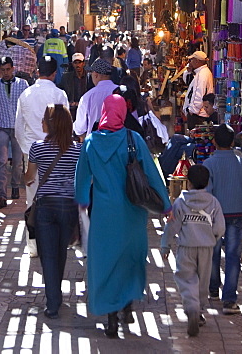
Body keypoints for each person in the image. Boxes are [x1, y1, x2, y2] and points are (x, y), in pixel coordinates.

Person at [75, 94, 170, 339]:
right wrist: (166, 204)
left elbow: (82, 177)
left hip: (104, 213)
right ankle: (127, 305)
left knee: (106, 260)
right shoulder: (133, 139)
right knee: (130, 256)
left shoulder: (90, 142)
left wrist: (83, 201)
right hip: (132, 211)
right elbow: (151, 173)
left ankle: (111, 319)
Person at [23, 104, 81, 318]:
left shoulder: (37, 147)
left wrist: (26, 179)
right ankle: (56, 295)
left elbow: (29, 177)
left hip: (46, 204)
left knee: (47, 254)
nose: (41, 123)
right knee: (61, 251)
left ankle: (53, 302)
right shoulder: (77, 149)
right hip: (69, 204)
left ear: (51, 124)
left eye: (44, 119)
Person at [160, 164, 227, 337]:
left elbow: (172, 225)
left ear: (187, 183)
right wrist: (213, 237)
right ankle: (199, 311)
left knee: (186, 277)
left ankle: (191, 306)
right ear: (207, 183)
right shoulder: (213, 202)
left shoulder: (180, 202)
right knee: (203, 281)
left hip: (186, 247)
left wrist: (165, 245)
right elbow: (220, 227)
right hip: (206, 249)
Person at [15, 56, 69, 257]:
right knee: (58, 196)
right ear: (54, 74)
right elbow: (66, 127)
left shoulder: (25, 95)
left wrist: (26, 149)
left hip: (33, 155)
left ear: (38, 72)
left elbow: (18, 128)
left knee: (33, 200)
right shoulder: (60, 95)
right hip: (56, 154)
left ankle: (34, 244)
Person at [202, 124, 242, 314]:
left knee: (214, 252)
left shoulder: (209, 164)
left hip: (216, 216)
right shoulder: (240, 163)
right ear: (233, 142)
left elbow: (207, 193)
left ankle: (213, 288)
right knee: (233, 256)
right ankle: (229, 299)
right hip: (236, 214)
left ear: (214, 141)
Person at [0, 56, 29, 208]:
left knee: (18, 162)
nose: (5, 73)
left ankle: (15, 185)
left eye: (8, 69)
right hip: (1, 127)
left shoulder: (22, 84)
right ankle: (2, 194)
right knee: (2, 161)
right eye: (3, 70)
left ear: (13, 69)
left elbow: (26, 106)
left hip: (18, 127)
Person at [72, 58, 118, 139]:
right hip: (118, 142)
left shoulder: (87, 97)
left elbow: (79, 128)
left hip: (94, 144)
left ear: (96, 74)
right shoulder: (120, 92)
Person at [182, 50, 214, 129]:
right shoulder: (202, 72)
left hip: (198, 115)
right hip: (199, 114)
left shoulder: (202, 74)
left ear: (197, 61)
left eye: (191, 60)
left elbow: (199, 94)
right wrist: (188, 71)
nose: (190, 62)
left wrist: (193, 111)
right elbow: (188, 82)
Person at [58, 52, 91, 120]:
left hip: (86, 110)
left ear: (83, 63)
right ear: (72, 64)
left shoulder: (89, 77)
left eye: (79, 62)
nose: (77, 65)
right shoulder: (66, 77)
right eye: (75, 63)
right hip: (72, 111)